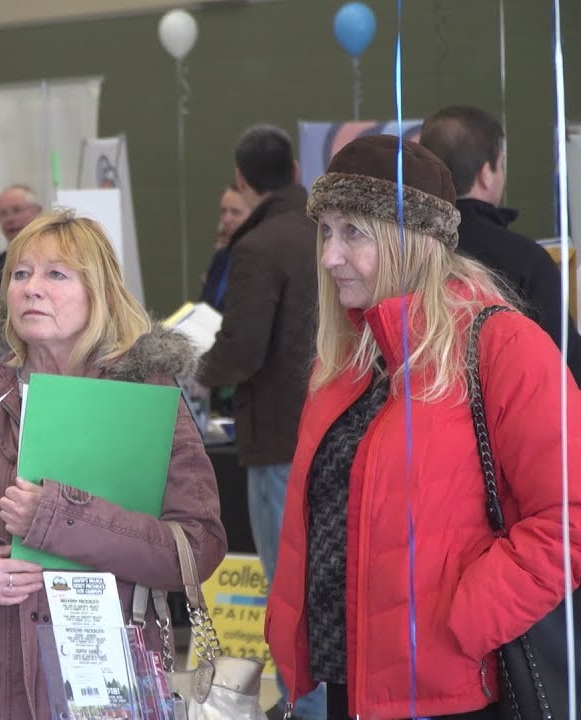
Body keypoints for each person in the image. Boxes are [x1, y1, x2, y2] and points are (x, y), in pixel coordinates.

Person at [266, 135, 581, 720]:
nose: (330, 256)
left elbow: (570, 515)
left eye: (353, 232)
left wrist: (466, 620)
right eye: (326, 232)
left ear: (410, 239)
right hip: (349, 683)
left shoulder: (501, 346)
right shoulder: (347, 360)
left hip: (454, 691)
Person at [0, 209, 227, 720]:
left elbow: (197, 547)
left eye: (56, 274)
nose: (31, 288)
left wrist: (61, 518)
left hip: (112, 687)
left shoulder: (146, 396)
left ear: (99, 292)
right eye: (20, 274)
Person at [197, 124, 324, 720]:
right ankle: (321, 696)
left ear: (242, 180)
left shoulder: (257, 247)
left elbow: (242, 350)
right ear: (297, 170)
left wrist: (197, 371)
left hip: (275, 435)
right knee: (325, 576)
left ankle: (305, 699)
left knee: (287, 582)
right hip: (334, 431)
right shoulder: (329, 231)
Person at [419, 105, 581, 386]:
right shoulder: (526, 261)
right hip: (511, 424)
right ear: (486, 173)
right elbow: (566, 366)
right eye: (502, 165)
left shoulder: (402, 254)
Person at [199, 183, 251, 311]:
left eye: (235, 212)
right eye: (224, 211)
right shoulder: (221, 257)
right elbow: (204, 303)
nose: (227, 218)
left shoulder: (261, 259)